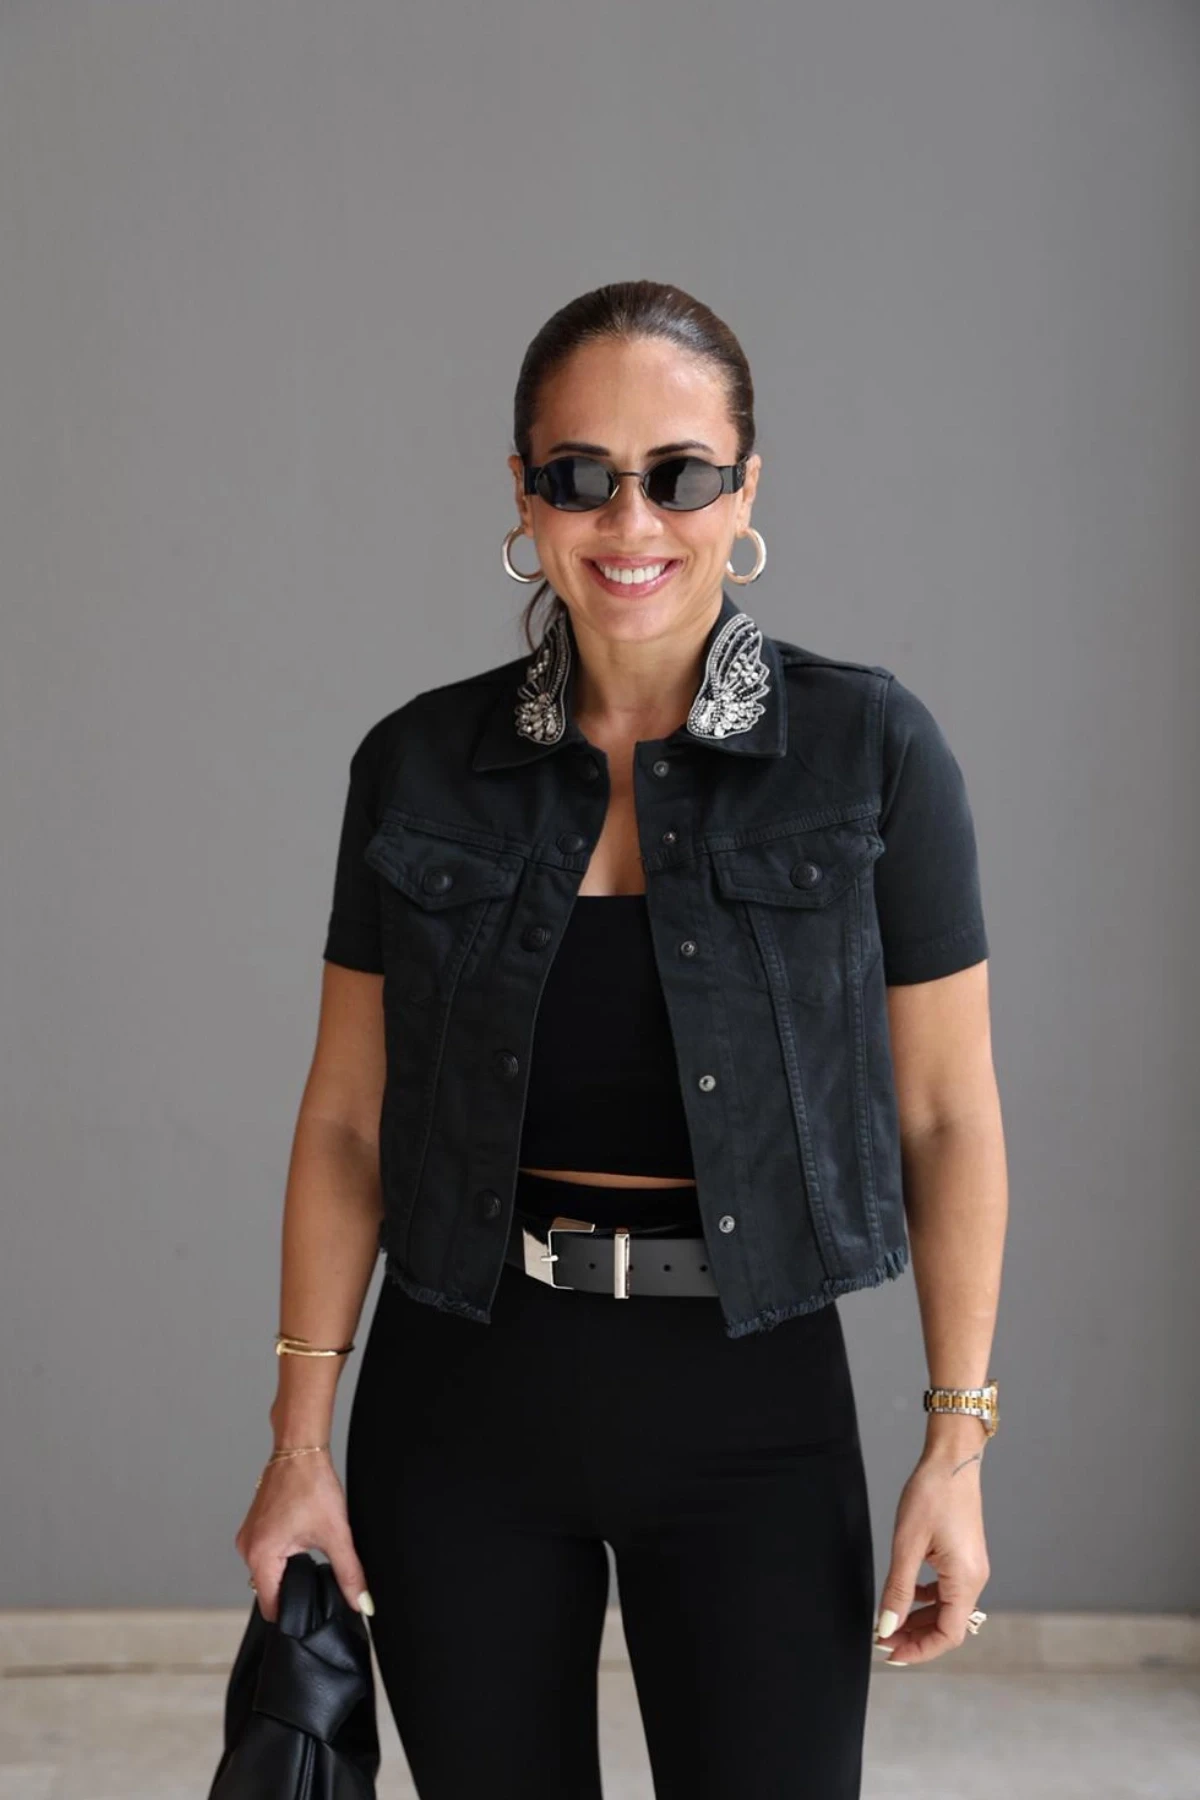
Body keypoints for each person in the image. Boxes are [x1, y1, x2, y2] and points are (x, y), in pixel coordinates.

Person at [235, 279, 1007, 1799]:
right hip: (461, 1411)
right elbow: (346, 1124)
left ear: (745, 491)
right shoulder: (417, 765)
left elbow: (946, 1118)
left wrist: (956, 1445)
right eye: (581, 473)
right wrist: (298, 1447)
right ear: (525, 494)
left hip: (756, 1413)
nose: (630, 518)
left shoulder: (870, 752)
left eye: (679, 474)